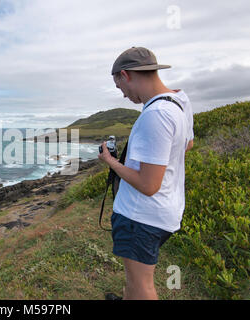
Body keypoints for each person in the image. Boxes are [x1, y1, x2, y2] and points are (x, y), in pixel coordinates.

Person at [98, 47, 195, 300]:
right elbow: (188, 143)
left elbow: (148, 184)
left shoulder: (157, 115)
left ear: (125, 75)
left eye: (121, 88)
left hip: (141, 218)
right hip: (164, 210)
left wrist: (111, 161)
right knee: (134, 280)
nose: (124, 95)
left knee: (141, 285)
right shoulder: (179, 101)